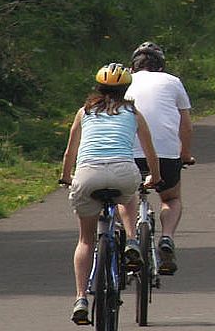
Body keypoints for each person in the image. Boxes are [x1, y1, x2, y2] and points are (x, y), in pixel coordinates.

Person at [60, 63, 160, 326]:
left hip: (87, 173)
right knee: (127, 195)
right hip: (123, 170)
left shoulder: (84, 112)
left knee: (85, 239)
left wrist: (66, 177)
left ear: (98, 87)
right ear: (126, 89)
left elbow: (71, 151)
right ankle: (130, 241)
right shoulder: (132, 112)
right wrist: (156, 177)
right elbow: (149, 151)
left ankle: (81, 298)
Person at [125, 41, 194, 275]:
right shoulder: (173, 82)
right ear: (161, 67)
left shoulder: (123, 82)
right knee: (171, 198)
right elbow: (185, 124)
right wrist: (184, 154)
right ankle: (166, 237)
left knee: (124, 196)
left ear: (132, 67)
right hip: (165, 154)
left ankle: (131, 239)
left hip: (129, 153)